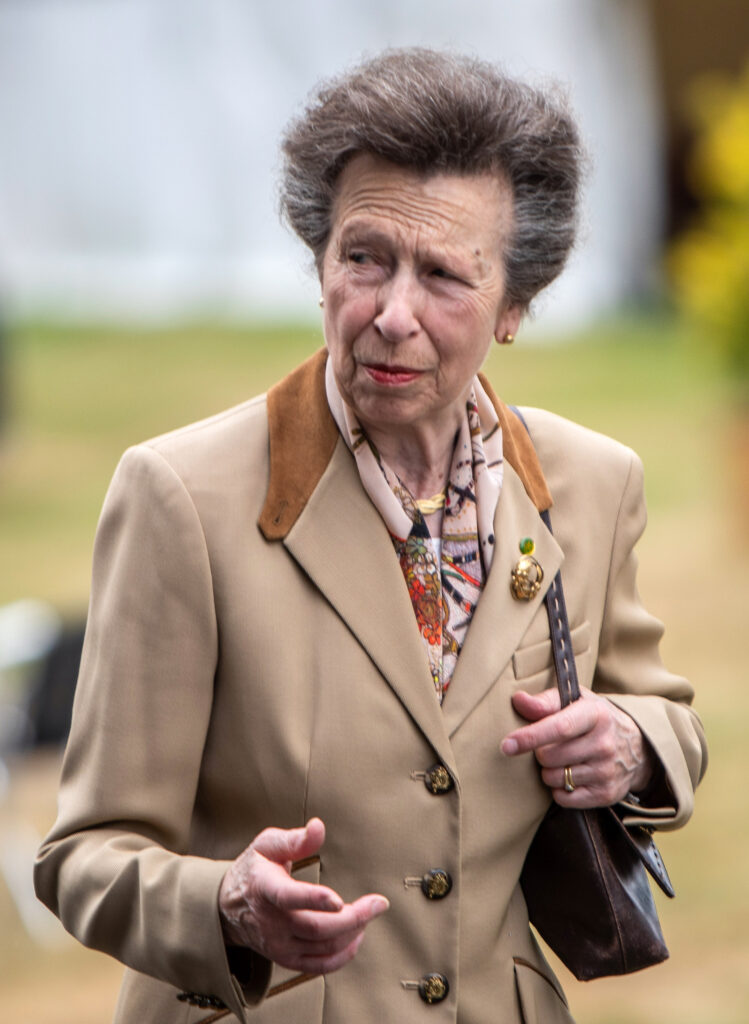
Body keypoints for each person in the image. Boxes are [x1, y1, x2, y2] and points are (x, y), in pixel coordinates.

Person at [35, 49, 706, 1024]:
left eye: (442, 274)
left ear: (513, 306)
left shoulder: (590, 483)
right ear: (318, 260)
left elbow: (663, 718)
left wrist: (629, 744)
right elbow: (84, 856)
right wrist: (224, 901)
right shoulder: (180, 495)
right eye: (363, 257)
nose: (391, 314)